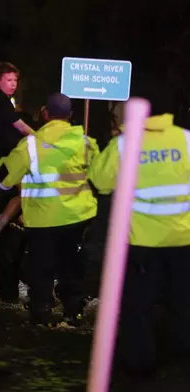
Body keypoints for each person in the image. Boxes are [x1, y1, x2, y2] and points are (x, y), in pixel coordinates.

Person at [88, 95, 190, 376]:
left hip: (141, 242)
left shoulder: (125, 144)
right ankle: (180, 363)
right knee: (182, 303)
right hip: (183, 240)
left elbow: (99, 181)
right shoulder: (186, 140)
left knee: (137, 306)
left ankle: (141, 365)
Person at [0, 93, 98, 325]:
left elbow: (2, 180)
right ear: (70, 116)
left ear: (45, 113)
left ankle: (42, 316)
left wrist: (1, 162)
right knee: (71, 266)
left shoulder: (31, 144)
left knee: (41, 269)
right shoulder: (85, 142)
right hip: (77, 219)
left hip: (43, 219)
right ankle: (74, 313)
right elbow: (101, 177)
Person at [0, 61, 34, 302]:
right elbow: (20, 126)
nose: (13, 84)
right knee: (23, 192)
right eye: (9, 80)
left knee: (22, 193)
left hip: (8, 155)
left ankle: (7, 223)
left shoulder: (1, 101)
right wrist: (42, 138)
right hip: (6, 157)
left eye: (15, 80)